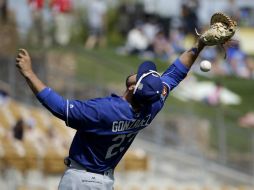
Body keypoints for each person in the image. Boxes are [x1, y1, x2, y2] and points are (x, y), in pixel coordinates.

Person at [15, 37, 206, 189]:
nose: (136, 72)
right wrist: (199, 45)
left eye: (139, 75)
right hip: (105, 183)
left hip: (80, 181)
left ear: (132, 88)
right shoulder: (152, 105)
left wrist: (29, 73)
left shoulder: (105, 111)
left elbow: (60, 107)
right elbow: (175, 73)